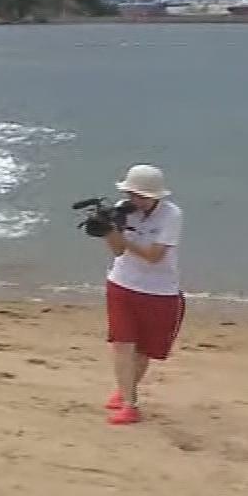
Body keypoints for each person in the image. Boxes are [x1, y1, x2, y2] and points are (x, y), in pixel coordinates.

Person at [100, 164, 184, 426]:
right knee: (122, 343)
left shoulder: (171, 215)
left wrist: (122, 238)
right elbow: (116, 251)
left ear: (156, 196)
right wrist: (109, 230)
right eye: (132, 195)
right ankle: (129, 404)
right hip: (122, 284)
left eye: (141, 197)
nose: (135, 201)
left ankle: (125, 389)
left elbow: (154, 256)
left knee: (144, 350)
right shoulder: (122, 210)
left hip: (159, 291)